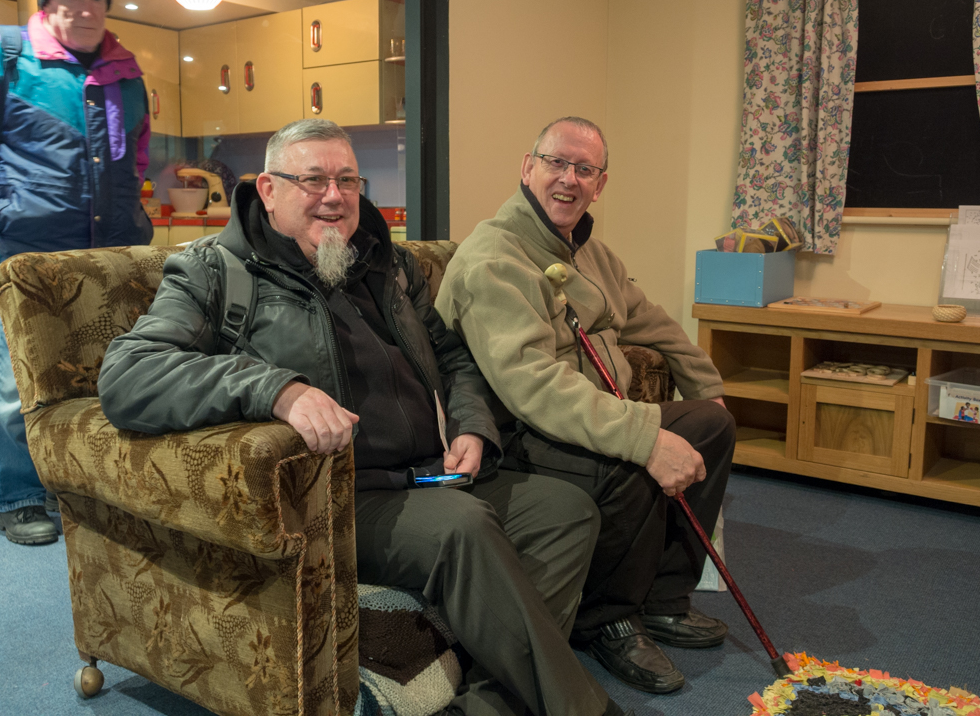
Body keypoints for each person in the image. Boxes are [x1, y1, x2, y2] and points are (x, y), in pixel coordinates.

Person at [98, 119, 635, 716]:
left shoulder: (389, 265)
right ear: (268, 190)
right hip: (341, 495)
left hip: (429, 472)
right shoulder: (216, 270)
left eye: (348, 180)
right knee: (463, 528)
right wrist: (275, 389)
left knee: (565, 512)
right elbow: (128, 373)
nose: (334, 196)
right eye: (313, 180)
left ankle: (490, 704)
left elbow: (454, 355)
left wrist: (471, 425)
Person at [435, 116, 737, 695]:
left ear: (600, 184)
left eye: (584, 169)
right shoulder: (494, 258)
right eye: (555, 162)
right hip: (518, 434)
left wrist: (704, 382)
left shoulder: (592, 253)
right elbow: (533, 387)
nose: (568, 178)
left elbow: (650, 320)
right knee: (631, 458)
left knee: (710, 425)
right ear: (528, 168)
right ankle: (606, 620)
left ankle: (661, 599)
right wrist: (642, 437)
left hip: (582, 417)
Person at [0, 0, 151, 545]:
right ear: (48, 6)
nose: (85, 9)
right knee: (16, 378)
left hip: (104, 253)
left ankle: (77, 484)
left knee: (94, 374)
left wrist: (132, 207)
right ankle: (17, 496)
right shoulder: (12, 58)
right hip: (23, 249)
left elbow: (136, 155)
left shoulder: (125, 71)